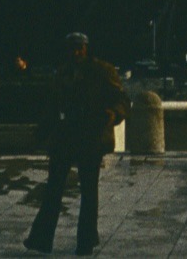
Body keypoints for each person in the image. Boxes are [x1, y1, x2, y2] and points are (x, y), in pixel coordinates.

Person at [25, 31, 128, 257]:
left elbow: (122, 100)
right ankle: (41, 240)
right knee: (53, 190)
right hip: (65, 137)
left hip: (90, 138)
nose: (76, 51)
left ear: (86, 48)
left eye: (79, 47)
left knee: (89, 192)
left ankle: (86, 241)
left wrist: (111, 115)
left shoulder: (102, 71)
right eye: (72, 47)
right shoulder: (63, 72)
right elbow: (53, 106)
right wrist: (41, 133)